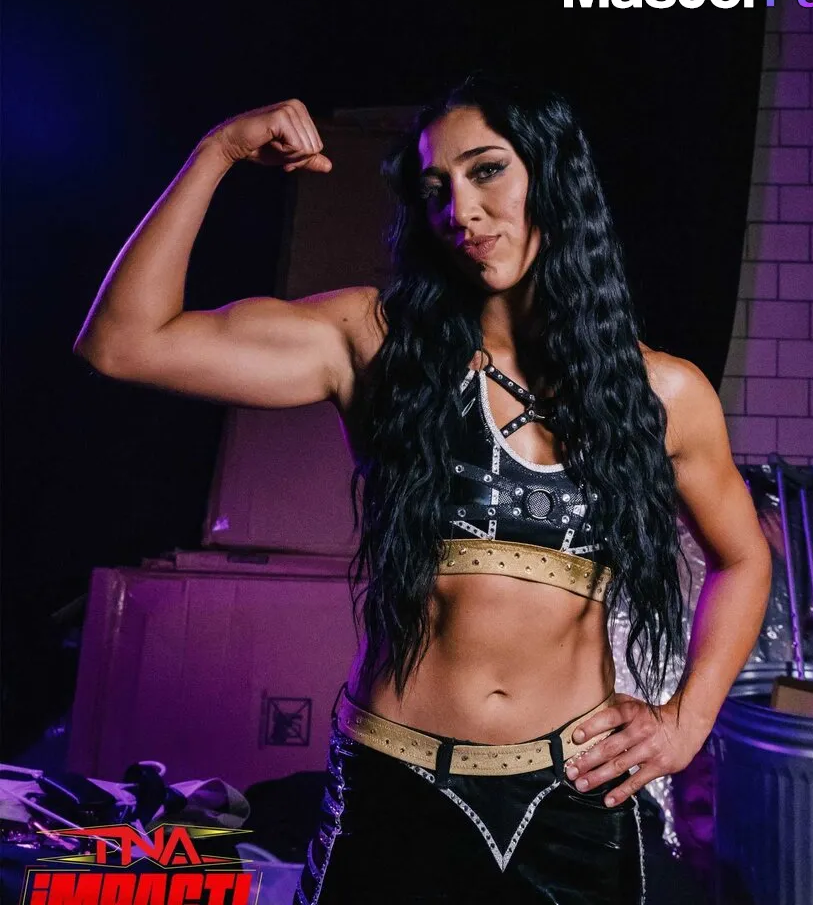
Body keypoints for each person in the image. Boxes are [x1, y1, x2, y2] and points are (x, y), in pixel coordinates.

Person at [73, 75, 772, 904]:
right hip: (397, 786)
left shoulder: (662, 393)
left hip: (571, 796)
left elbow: (743, 559)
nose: (461, 211)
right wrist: (216, 151)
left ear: (553, 175)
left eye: (487, 170)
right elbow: (124, 343)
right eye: (437, 188)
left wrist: (688, 720)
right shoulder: (375, 344)